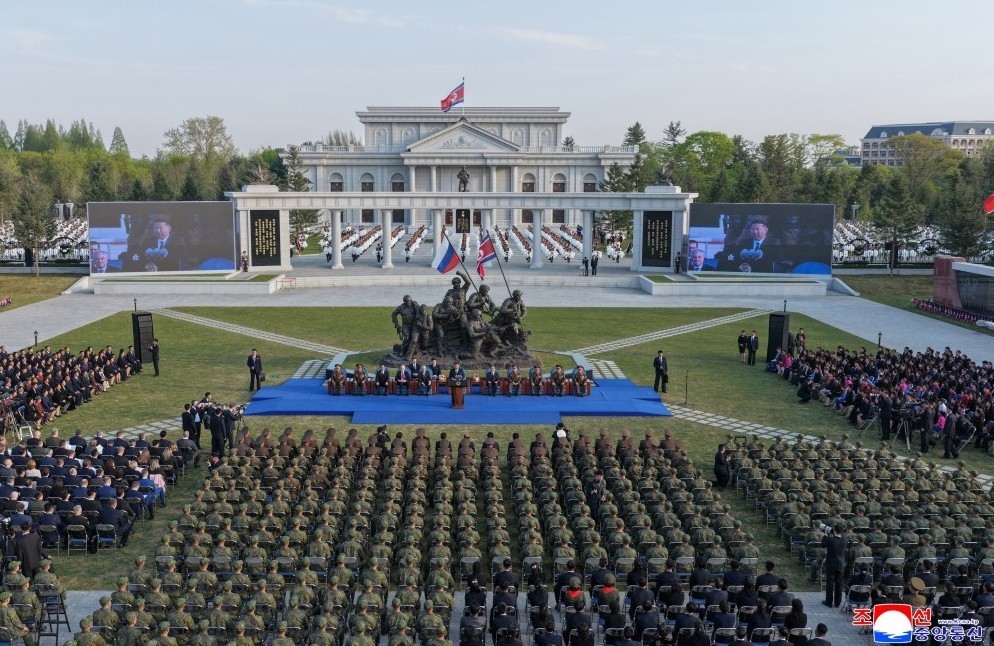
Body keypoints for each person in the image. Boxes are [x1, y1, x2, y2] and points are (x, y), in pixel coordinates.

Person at [820, 524, 847, 608]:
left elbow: (823, 545)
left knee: (830, 583)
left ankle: (829, 602)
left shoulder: (830, 540)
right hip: (841, 564)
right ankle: (837, 602)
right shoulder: (845, 540)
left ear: (834, 531)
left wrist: (825, 534)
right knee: (839, 583)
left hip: (831, 563)